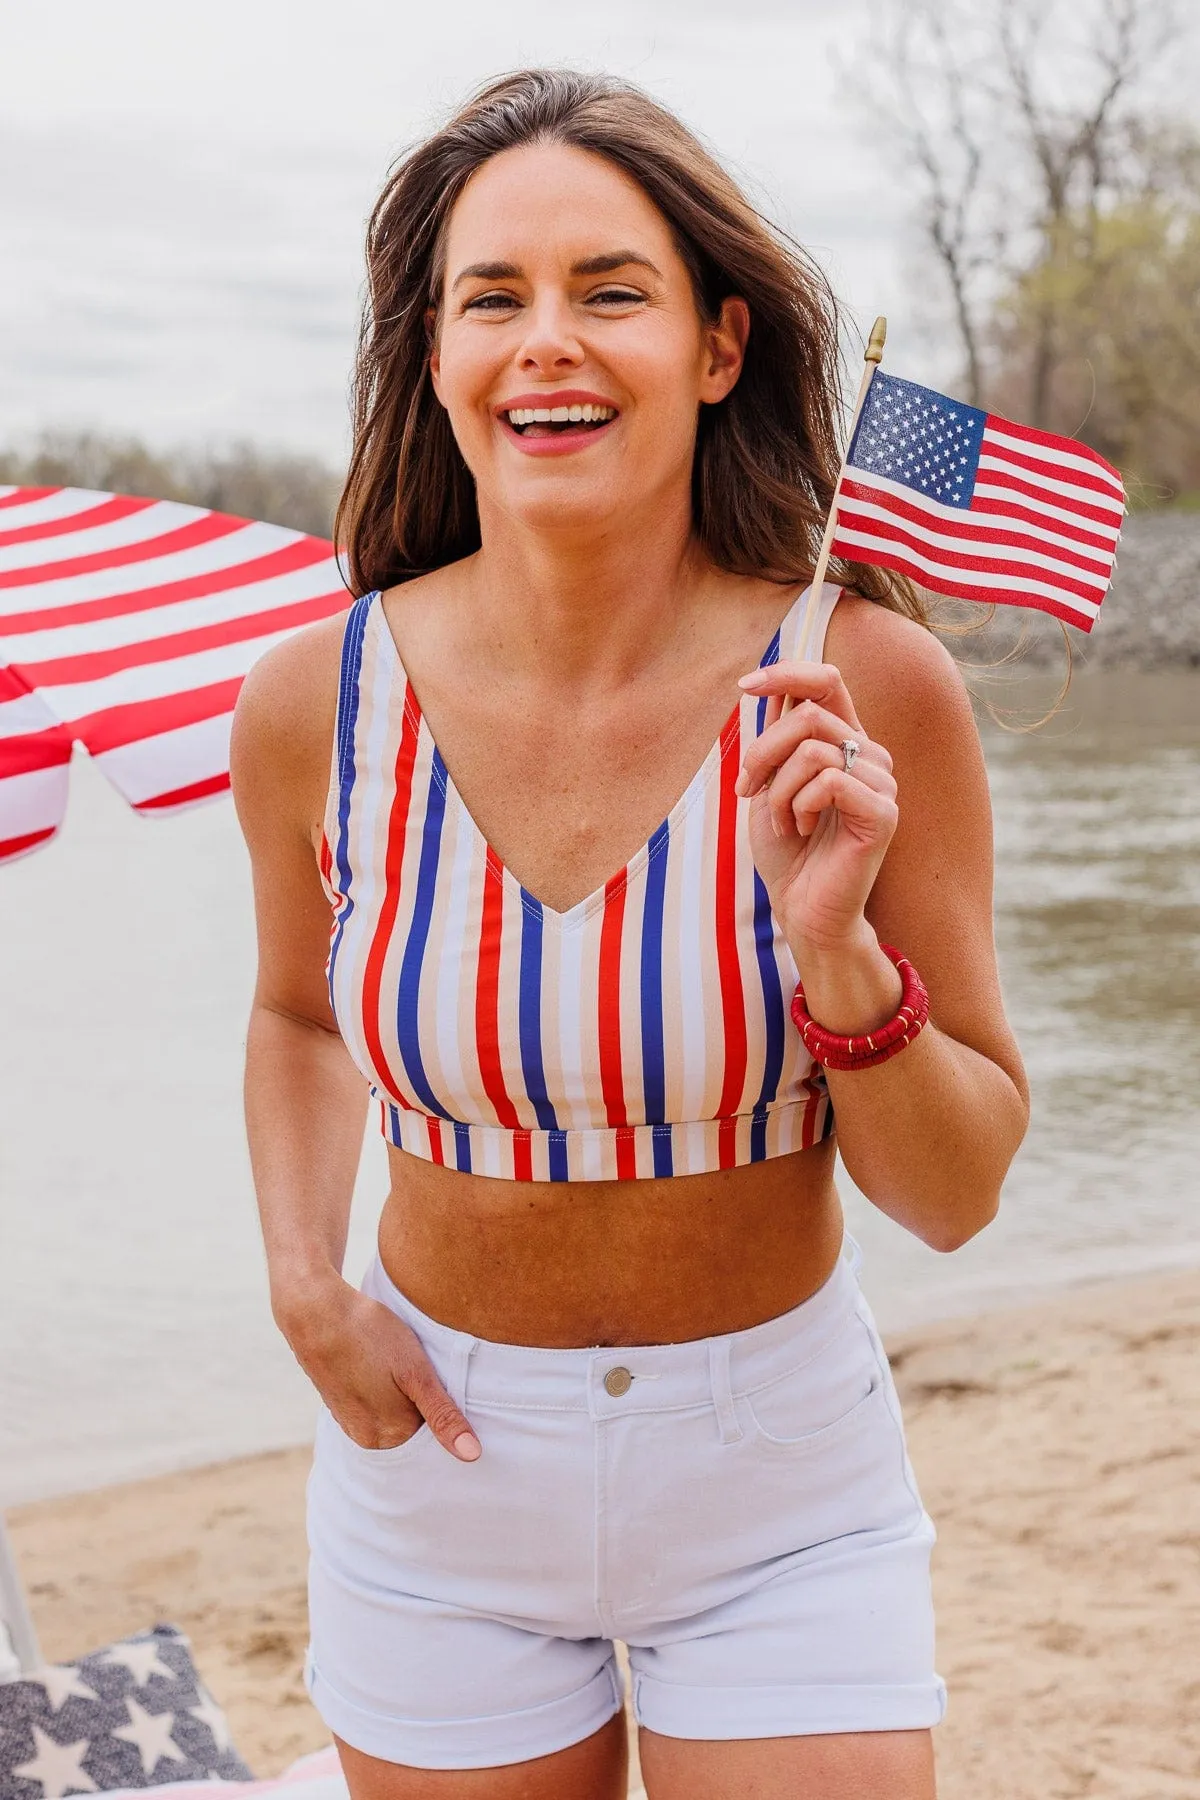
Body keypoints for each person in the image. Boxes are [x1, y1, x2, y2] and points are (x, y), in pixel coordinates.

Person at [231, 68, 1028, 1800]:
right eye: (491, 298)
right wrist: (303, 1280)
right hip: (432, 1471)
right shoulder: (316, 700)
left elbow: (958, 1196)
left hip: (779, 1486)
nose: (547, 343)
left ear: (719, 346)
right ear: (434, 354)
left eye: (610, 291)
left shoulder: (866, 684)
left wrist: (839, 961)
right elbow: (298, 1018)